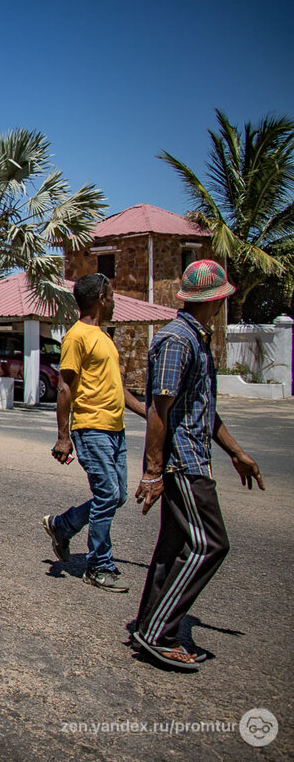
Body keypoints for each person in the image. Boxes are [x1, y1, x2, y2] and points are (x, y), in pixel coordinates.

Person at [131, 259, 264, 671]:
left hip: (193, 455)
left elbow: (202, 411)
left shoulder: (196, 339)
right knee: (210, 544)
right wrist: (154, 472)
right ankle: (159, 632)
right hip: (181, 461)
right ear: (218, 300)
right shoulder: (177, 340)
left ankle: (148, 624)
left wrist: (236, 452)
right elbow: (159, 409)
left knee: (174, 547)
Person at [43, 273, 146, 592]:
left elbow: (116, 386)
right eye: (112, 295)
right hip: (91, 428)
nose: (114, 301)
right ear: (102, 297)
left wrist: (148, 413)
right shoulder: (77, 336)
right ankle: (99, 566)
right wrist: (63, 435)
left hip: (115, 429)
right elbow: (64, 386)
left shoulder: (103, 337)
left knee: (117, 496)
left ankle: (63, 526)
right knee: (107, 496)